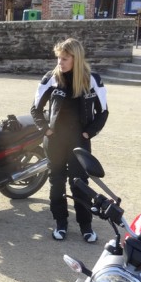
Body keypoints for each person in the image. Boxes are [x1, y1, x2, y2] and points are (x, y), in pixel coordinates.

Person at [30, 38, 109, 242]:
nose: (60, 63)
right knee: (56, 182)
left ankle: (86, 226)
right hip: (54, 141)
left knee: (79, 183)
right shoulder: (51, 78)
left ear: (76, 58)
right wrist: (46, 130)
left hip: (79, 142)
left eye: (64, 58)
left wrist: (88, 133)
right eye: (58, 58)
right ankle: (60, 223)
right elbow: (36, 109)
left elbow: (103, 112)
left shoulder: (92, 80)